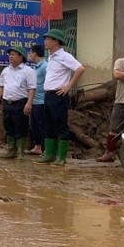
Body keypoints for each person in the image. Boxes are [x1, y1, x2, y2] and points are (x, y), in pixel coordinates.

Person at [34, 29, 86, 166]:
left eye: (48, 39)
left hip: (59, 96)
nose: (45, 41)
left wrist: (69, 86)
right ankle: (50, 154)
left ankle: (61, 157)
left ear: (56, 41)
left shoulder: (64, 56)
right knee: (48, 125)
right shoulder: (51, 56)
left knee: (60, 125)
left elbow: (80, 68)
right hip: (48, 95)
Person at [0, 45, 37, 159]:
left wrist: (29, 103)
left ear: (21, 57)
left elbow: (32, 88)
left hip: (21, 103)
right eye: (10, 54)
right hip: (7, 103)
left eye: (13, 54)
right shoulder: (5, 71)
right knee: (9, 126)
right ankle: (11, 149)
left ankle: (21, 151)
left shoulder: (28, 71)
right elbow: (1, 86)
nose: (10, 57)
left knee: (21, 127)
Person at [27, 44, 48, 155]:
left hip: (42, 101)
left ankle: (46, 149)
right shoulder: (35, 67)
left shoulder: (45, 66)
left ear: (35, 53)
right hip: (34, 101)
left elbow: (48, 83)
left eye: (31, 52)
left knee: (42, 125)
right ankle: (37, 146)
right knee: (34, 124)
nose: (30, 55)